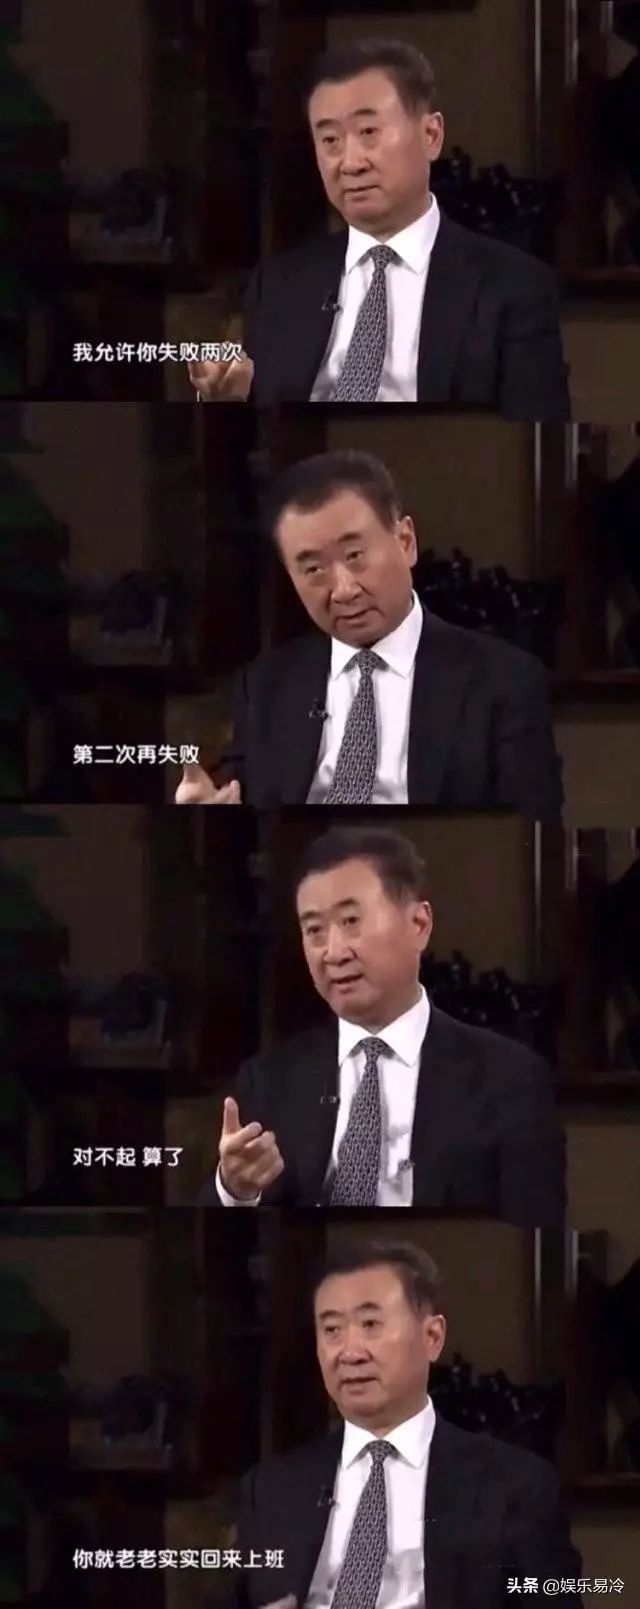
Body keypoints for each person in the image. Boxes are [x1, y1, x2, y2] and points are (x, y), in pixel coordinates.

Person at [199, 827, 565, 1224]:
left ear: (419, 924)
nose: (333, 953)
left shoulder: (510, 1078)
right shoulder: (271, 1080)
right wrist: (235, 1189)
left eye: (351, 921)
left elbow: (534, 1220)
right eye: (314, 930)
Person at [187, 38, 570, 419]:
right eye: (330, 140)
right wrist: (228, 398)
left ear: (431, 136)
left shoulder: (514, 287)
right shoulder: (277, 284)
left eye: (369, 132)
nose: (350, 163)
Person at [175, 451, 563, 819]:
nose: (343, 590)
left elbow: (526, 826)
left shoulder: (504, 681)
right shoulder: (265, 686)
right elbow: (242, 803)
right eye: (313, 570)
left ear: (405, 542)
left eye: (355, 556)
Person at [232, 1241, 582, 1609]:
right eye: (332, 1329)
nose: (350, 1353)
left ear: (432, 1337)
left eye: (370, 1324)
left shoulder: (516, 1485)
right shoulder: (269, 1489)